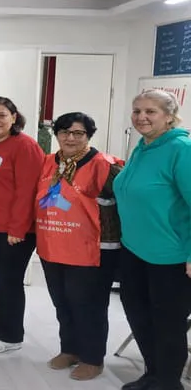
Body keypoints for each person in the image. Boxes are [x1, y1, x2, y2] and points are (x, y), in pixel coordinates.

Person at [35, 111, 122, 381]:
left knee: (88, 304)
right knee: (62, 301)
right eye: (64, 132)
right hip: (54, 244)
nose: (70, 138)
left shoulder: (104, 165)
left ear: (88, 136)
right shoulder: (50, 162)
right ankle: (70, 349)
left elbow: (127, 202)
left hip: (92, 249)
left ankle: (92, 358)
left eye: (78, 133)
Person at [114, 90, 191, 390]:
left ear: (169, 116)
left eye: (150, 111)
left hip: (170, 255)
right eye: (137, 111)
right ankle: (153, 375)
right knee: (139, 315)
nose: (141, 117)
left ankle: (169, 383)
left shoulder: (181, 149)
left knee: (168, 324)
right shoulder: (143, 147)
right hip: (134, 249)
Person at [0, 96, 44, 354]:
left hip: (14, 230)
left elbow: (28, 191)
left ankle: (12, 336)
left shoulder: (25, 146)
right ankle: (2, 323)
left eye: (1, 115)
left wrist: (17, 228)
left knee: (9, 281)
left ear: (14, 117)